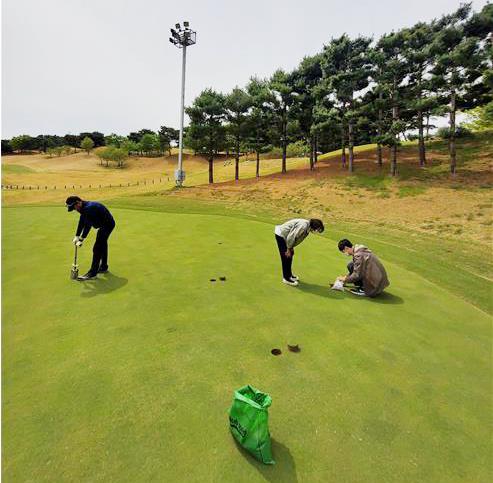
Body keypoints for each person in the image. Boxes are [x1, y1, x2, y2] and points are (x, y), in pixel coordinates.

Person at [66, 196, 116, 281]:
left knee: (97, 248)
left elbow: (87, 226)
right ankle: (103, 267)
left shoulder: (89, 208)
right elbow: (82, 221)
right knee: (102, 244)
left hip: (107, 225)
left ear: (79, 202)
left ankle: (92, 273)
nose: (75, 209)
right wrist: (77, 235)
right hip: (104, 225)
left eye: (75, 207)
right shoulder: (83, 208)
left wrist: (81, 239)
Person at [274, 218, 324, 286]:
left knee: (290, 255)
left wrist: (291, 248)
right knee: (286, 256)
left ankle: (289, 275)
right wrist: (289, 249)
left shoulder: (307, 227)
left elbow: (296, 238)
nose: (316, 231)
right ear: (314, 226)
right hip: (281, 235)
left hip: (286, 237)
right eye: (317, 229)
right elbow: (291, 237)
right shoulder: (303, 226)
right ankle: (286, 278)